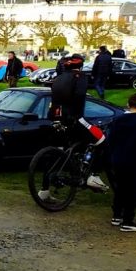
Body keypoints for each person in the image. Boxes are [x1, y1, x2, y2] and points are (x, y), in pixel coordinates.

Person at [48, 54, 108, 191]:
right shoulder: (80, 77)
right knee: (101, 140)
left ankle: (44, 190)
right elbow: (79, 95)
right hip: (75, 118)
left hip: (57, 118)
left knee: (67, 151)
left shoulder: (58, 79)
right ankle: (94, 176)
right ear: (80, 66)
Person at [106, 93, 136, 232]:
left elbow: (110, 140)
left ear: (128, 105)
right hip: (135, 160)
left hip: (118, 159)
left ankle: (117, 215)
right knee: (133, 190)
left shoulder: (118, 120)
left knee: (120, 188)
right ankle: (128, 220)